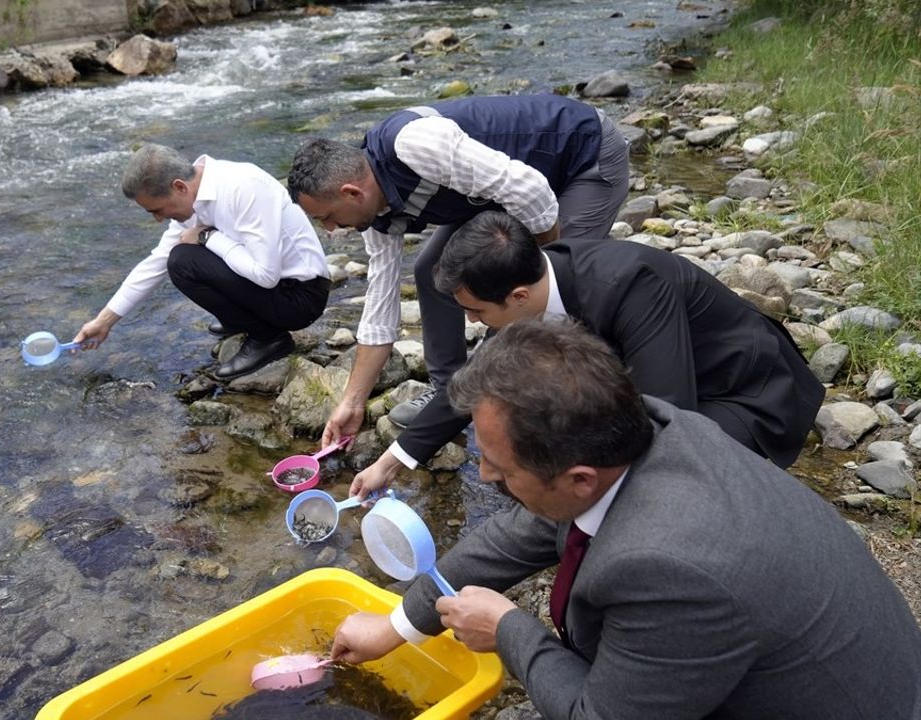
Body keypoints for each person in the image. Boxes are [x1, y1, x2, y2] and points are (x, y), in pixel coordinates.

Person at [331, 320, 921, 720]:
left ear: (579, 478)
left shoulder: (672, 570)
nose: (484, 477)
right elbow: (529, 529)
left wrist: (508, 628)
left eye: (502, 471)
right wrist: (396, 626)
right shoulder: (653, 427)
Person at [348, 211, 824, 498]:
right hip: (670, 381)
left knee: (651, 478)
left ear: (516, 297)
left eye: (474, 312)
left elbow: (669, 411)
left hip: (744, 391)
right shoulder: (534, 288)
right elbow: (474, 381)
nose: (471, 323)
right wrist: (389, 463)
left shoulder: (631, 284)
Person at [287, 93, 629, 435]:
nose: (329, 229)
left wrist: (535, 272)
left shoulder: (415, 146)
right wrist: (352, 401)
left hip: (583, 157)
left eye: (327, 217)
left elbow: (532, 193)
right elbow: (379, 309)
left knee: (546, 286)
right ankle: (450, 392)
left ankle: (582, 397)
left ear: (351, 193)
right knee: (430, 270)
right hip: (508, 187)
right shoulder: (374, 217)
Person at [73, 144, 331, 379]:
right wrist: (104, 321)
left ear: (179, 187)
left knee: (184, 260)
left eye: (157, 210)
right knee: (176, 258)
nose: (159, 219)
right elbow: (155, 263)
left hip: (301, 297)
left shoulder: (243, 187)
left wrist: (208, 236)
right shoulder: (192, 200)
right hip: (275, 289)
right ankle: (242, 320)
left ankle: (269, 339)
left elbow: (266, 275)